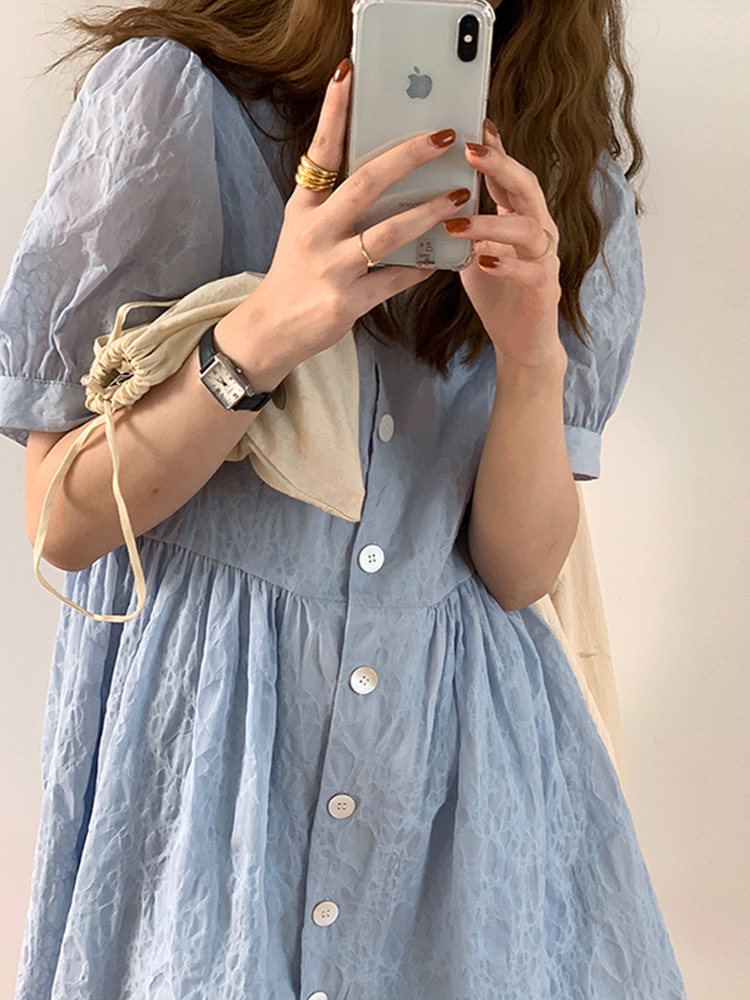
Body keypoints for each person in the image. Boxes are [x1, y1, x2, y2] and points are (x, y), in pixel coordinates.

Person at [0, 2, 687, 998]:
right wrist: (267, 330)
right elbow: (61, 521)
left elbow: (517, 572)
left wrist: (531, 357)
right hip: (211, 777)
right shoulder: (177, 103)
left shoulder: (565, 186)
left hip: (457, 791)